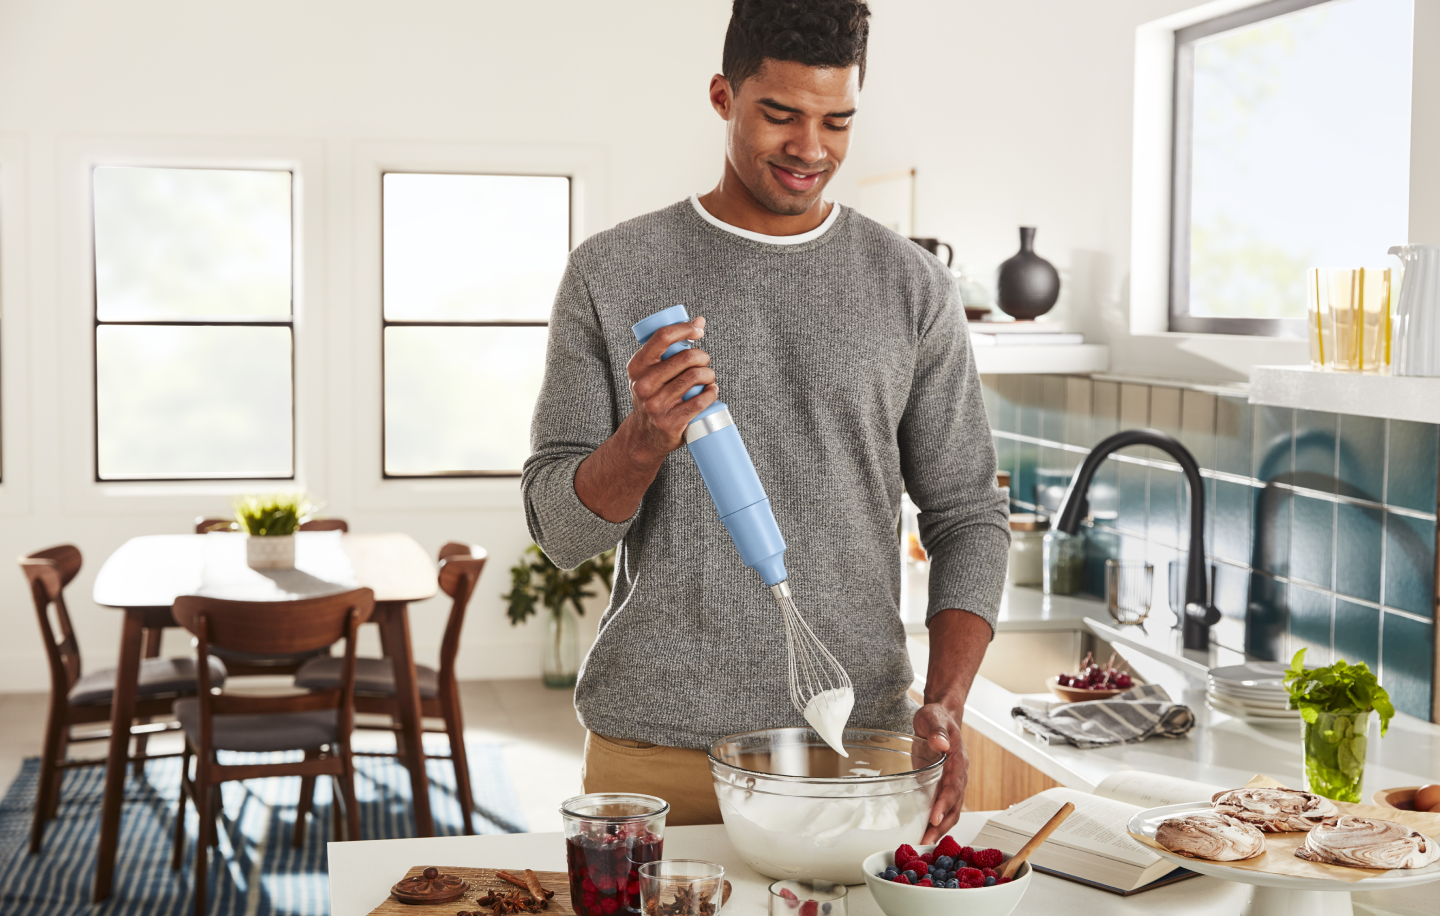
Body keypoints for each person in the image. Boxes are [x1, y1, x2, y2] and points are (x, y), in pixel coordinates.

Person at [522, 0, 1008, 841]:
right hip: (655, 753)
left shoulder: (910, 286)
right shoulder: (612, 269)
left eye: (837, 121)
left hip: (855, 756)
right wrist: (644, 437)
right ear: (722, 96)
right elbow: (561, 534)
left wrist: (946, 704)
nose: (810, 149)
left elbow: (968, 512)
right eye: (780, 114)